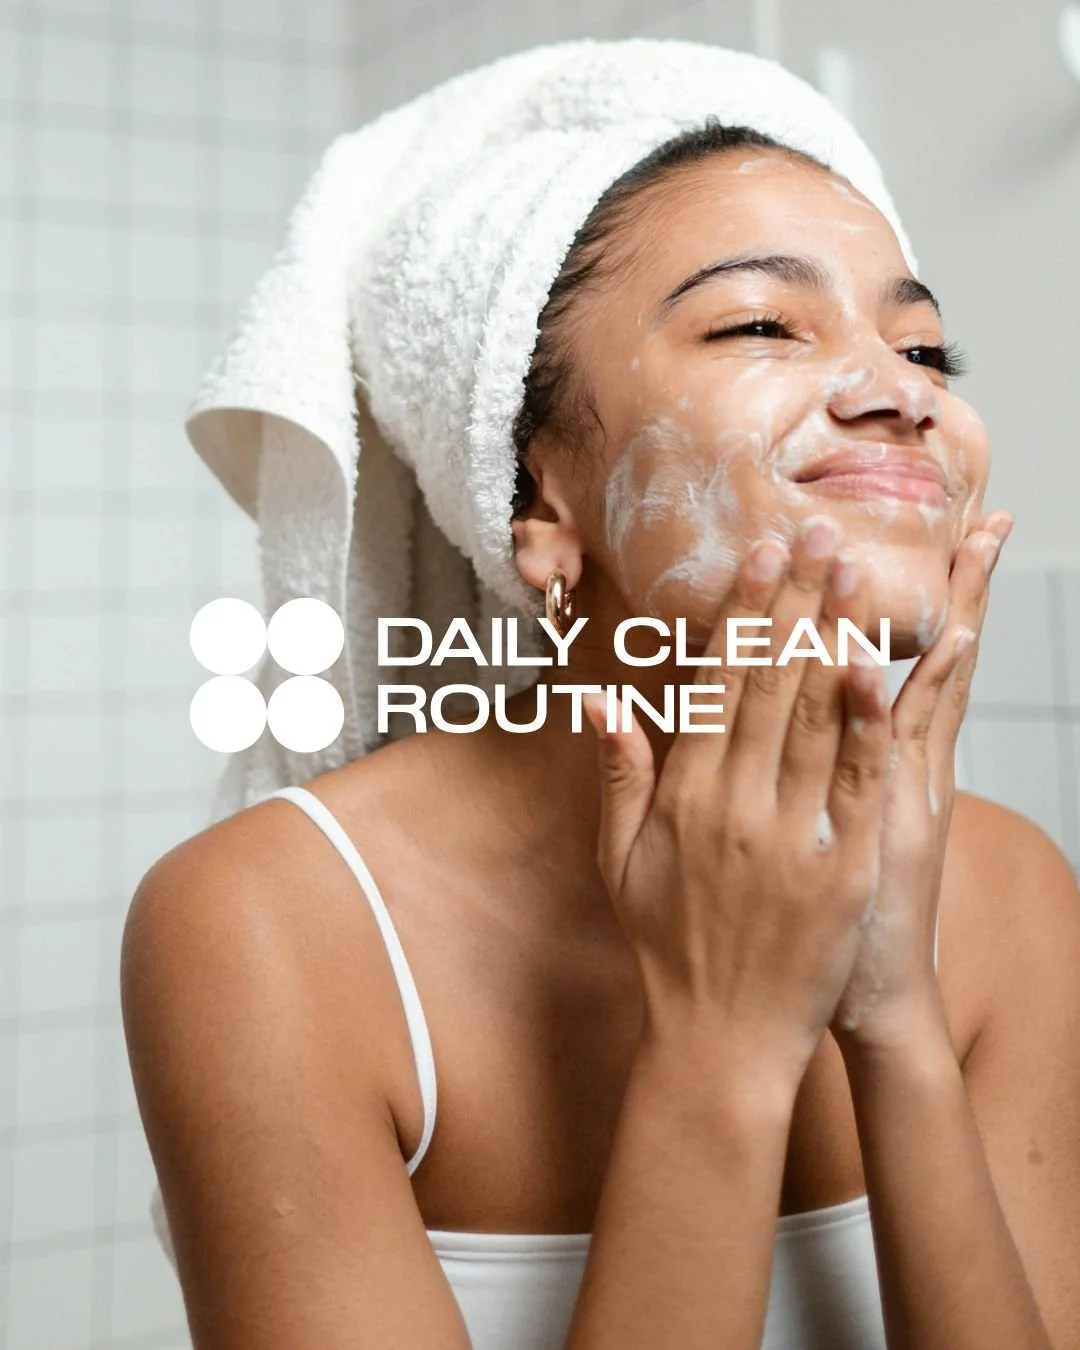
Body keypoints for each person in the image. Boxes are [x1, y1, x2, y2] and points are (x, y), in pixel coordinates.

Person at [120, 110, 1080, 1350]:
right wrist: (722, 1045)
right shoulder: (272, 922)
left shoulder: (1007, 891)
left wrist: (895, 1018)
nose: (902, 391)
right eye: (760, 325)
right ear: (535, 500)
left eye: (927, 348)